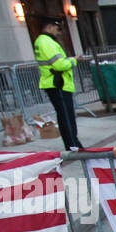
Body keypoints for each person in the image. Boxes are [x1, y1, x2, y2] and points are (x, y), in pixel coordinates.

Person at [33, 18, 82, 151]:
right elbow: (59, 64)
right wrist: (73, 60)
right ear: (50, 27)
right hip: (57, 82)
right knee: (66, 116)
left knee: (66, 115)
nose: (58, 32)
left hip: (57, 82)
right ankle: (72, 145)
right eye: (57, 28)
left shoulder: (44, 41)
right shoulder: (46, 42)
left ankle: (74, 143)